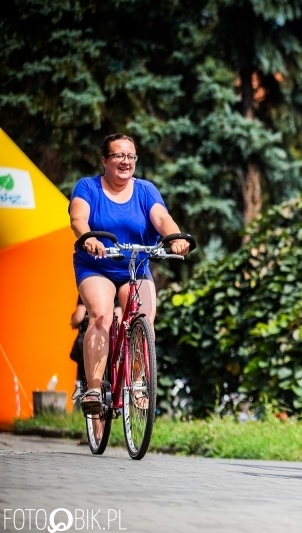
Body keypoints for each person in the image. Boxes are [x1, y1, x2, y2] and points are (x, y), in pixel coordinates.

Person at [68, 133, 190, 414]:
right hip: (97, 265)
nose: (126, 161)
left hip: (135, 266)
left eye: (130, 156)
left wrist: (174, 237)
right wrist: (87, 237)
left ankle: (137, 383)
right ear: (104, 160)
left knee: (144, 321)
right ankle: (94, 389)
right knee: (100, 316)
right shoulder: (88, 187)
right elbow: (78, 217)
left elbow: (161, 218)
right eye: (118, 155)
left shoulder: (146, 190)